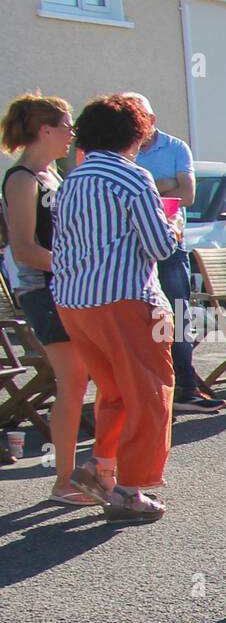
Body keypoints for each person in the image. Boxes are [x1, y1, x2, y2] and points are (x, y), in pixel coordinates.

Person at [50, 94, 178, 522]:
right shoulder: (133, 177)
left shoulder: (71, 180)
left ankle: (100, 467)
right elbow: (159, 245)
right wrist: (174, 225)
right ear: (136, 135)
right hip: (126, 299)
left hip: (74, 302)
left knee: (115, 392)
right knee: (150, 393)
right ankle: (129, 489)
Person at [0, 94, 95, 504]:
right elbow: (23, 248)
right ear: (45, 130)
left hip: (72, 288)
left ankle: (79, 475)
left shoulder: (56, 174)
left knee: (82, 381)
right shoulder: (22, 179)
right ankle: (63, 481)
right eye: (67, 125)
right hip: (44, 289)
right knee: (72, 381)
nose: (72, 133)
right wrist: (77, 267)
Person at [122, 93, 221, 417]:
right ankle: (145, 391)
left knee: (177, 316)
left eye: (144, 117)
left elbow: (188, 194)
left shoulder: (176, 147)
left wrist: (150, 187)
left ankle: (185, 389)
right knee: (137, 320)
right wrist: (163, 185)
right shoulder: (122, 149)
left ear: (152, 118)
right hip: (131, 248)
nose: (141, 125)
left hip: (169, 243)